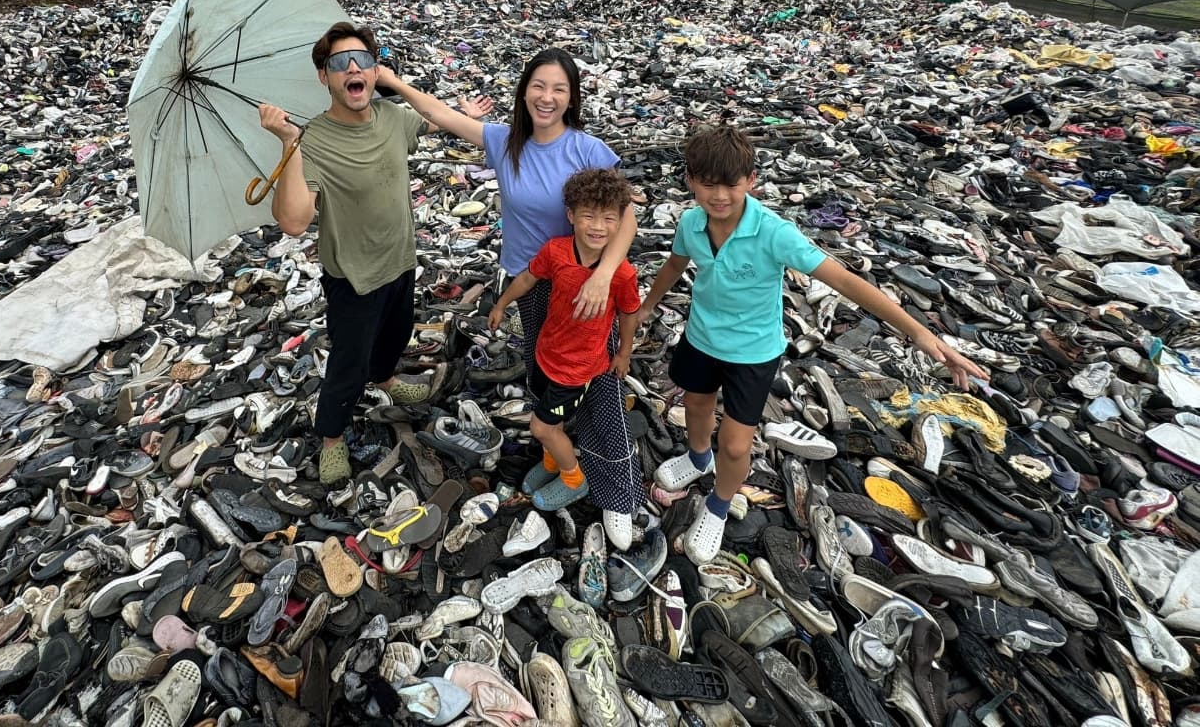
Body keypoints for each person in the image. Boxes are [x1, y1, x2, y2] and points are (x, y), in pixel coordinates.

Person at [637, 126, 990, 564]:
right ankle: (696, 457)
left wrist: (918, 332)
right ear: (690, 181)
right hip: (701, 338)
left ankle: (719, 505)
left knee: (735, 445)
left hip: (752, 354)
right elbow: (675, 264)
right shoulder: (691, 223)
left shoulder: (774, 233)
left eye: (731, 184)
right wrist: (645, 306)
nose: (720, 195)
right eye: (708, 184)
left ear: (751, 181)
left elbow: (843, 279)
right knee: (696, 406)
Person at [375, 49, 645, 548]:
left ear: (571, 98)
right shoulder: (505, 142)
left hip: (587, 288)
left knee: (600, 388)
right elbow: (442, 114)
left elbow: (625, 215)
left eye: (559, 89)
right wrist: (391, 79)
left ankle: (616, 493)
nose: (548, 97)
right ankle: (557, 457)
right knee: (544, 372)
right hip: (533, 282)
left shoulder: (587, 149)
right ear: (524, 91)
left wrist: (604, 275)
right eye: (539, 86)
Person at [258, 22, 434, 486]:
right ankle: (331, 436)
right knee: (346, 364)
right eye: (339, 63)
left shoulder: (392, 117)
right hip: (353, 276)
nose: (352, 69)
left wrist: (397, 84)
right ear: (325, 77)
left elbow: (434, 120)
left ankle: (387, 378)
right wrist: (288, 144)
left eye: (363, 60)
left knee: (397, 332)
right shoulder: (312, 139)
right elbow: (294, 222)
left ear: (375, 69)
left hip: (400, 258)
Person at [487, 168, 641, 511]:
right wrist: (501, 303)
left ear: (620, 222)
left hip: (576, 369)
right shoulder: (556, 251)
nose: (598, 227)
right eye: (588, 216)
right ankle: (552, 462)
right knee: (547, 414)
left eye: (608, 219)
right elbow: (528, 277)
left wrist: (624, 353)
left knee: (541, 426)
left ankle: (574, 478)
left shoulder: (622, 274)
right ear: (571, 216)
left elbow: (630, 313)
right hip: (546, 351)